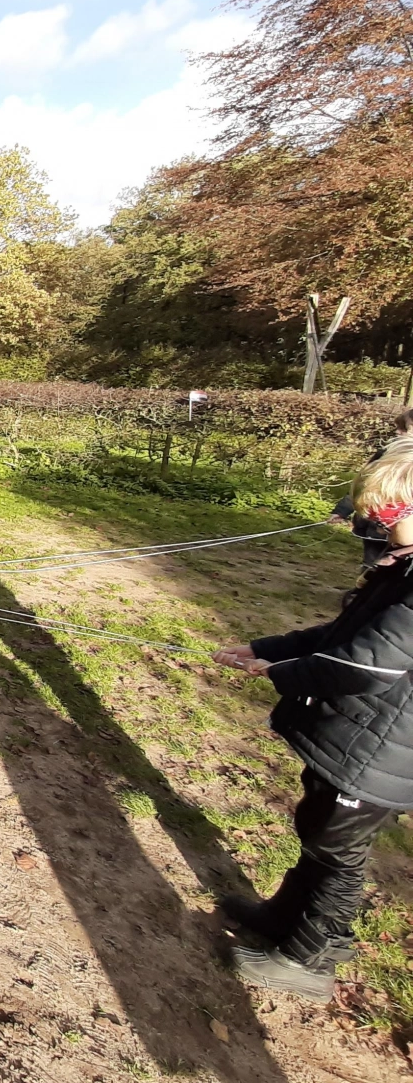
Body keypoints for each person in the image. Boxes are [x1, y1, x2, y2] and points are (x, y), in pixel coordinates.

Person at [213, 435, 413, 1002]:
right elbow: (342, 637)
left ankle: (311, 957)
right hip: (361, 738)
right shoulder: (402, 570)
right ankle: (286, 917)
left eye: (387, 513)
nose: (374, 524)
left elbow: (365, 667)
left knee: (339, 852)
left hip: (384, 751)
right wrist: (265, 646)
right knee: (319, 831)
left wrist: (282, 671)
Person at [329, 407, 413, 567]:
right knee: (372, 566)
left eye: (404, 428)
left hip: (405, 534)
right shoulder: (385, 457)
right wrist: (342, 511)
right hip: (377, 528)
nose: (397, 432)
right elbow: (363, 488)